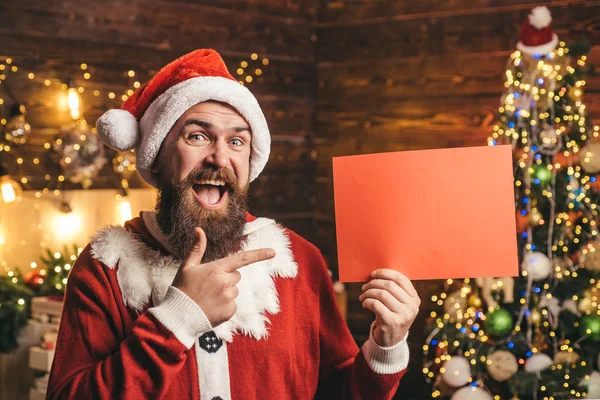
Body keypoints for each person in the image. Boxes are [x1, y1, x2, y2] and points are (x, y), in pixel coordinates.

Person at [46, 49, 421, 400]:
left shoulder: (298, 261)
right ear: (158, 154)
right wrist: (177, 319)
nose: (219, 157)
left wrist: (386, 345)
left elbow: (342, 391)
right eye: (198, 136)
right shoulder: (106, 267)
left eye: (237, 141)